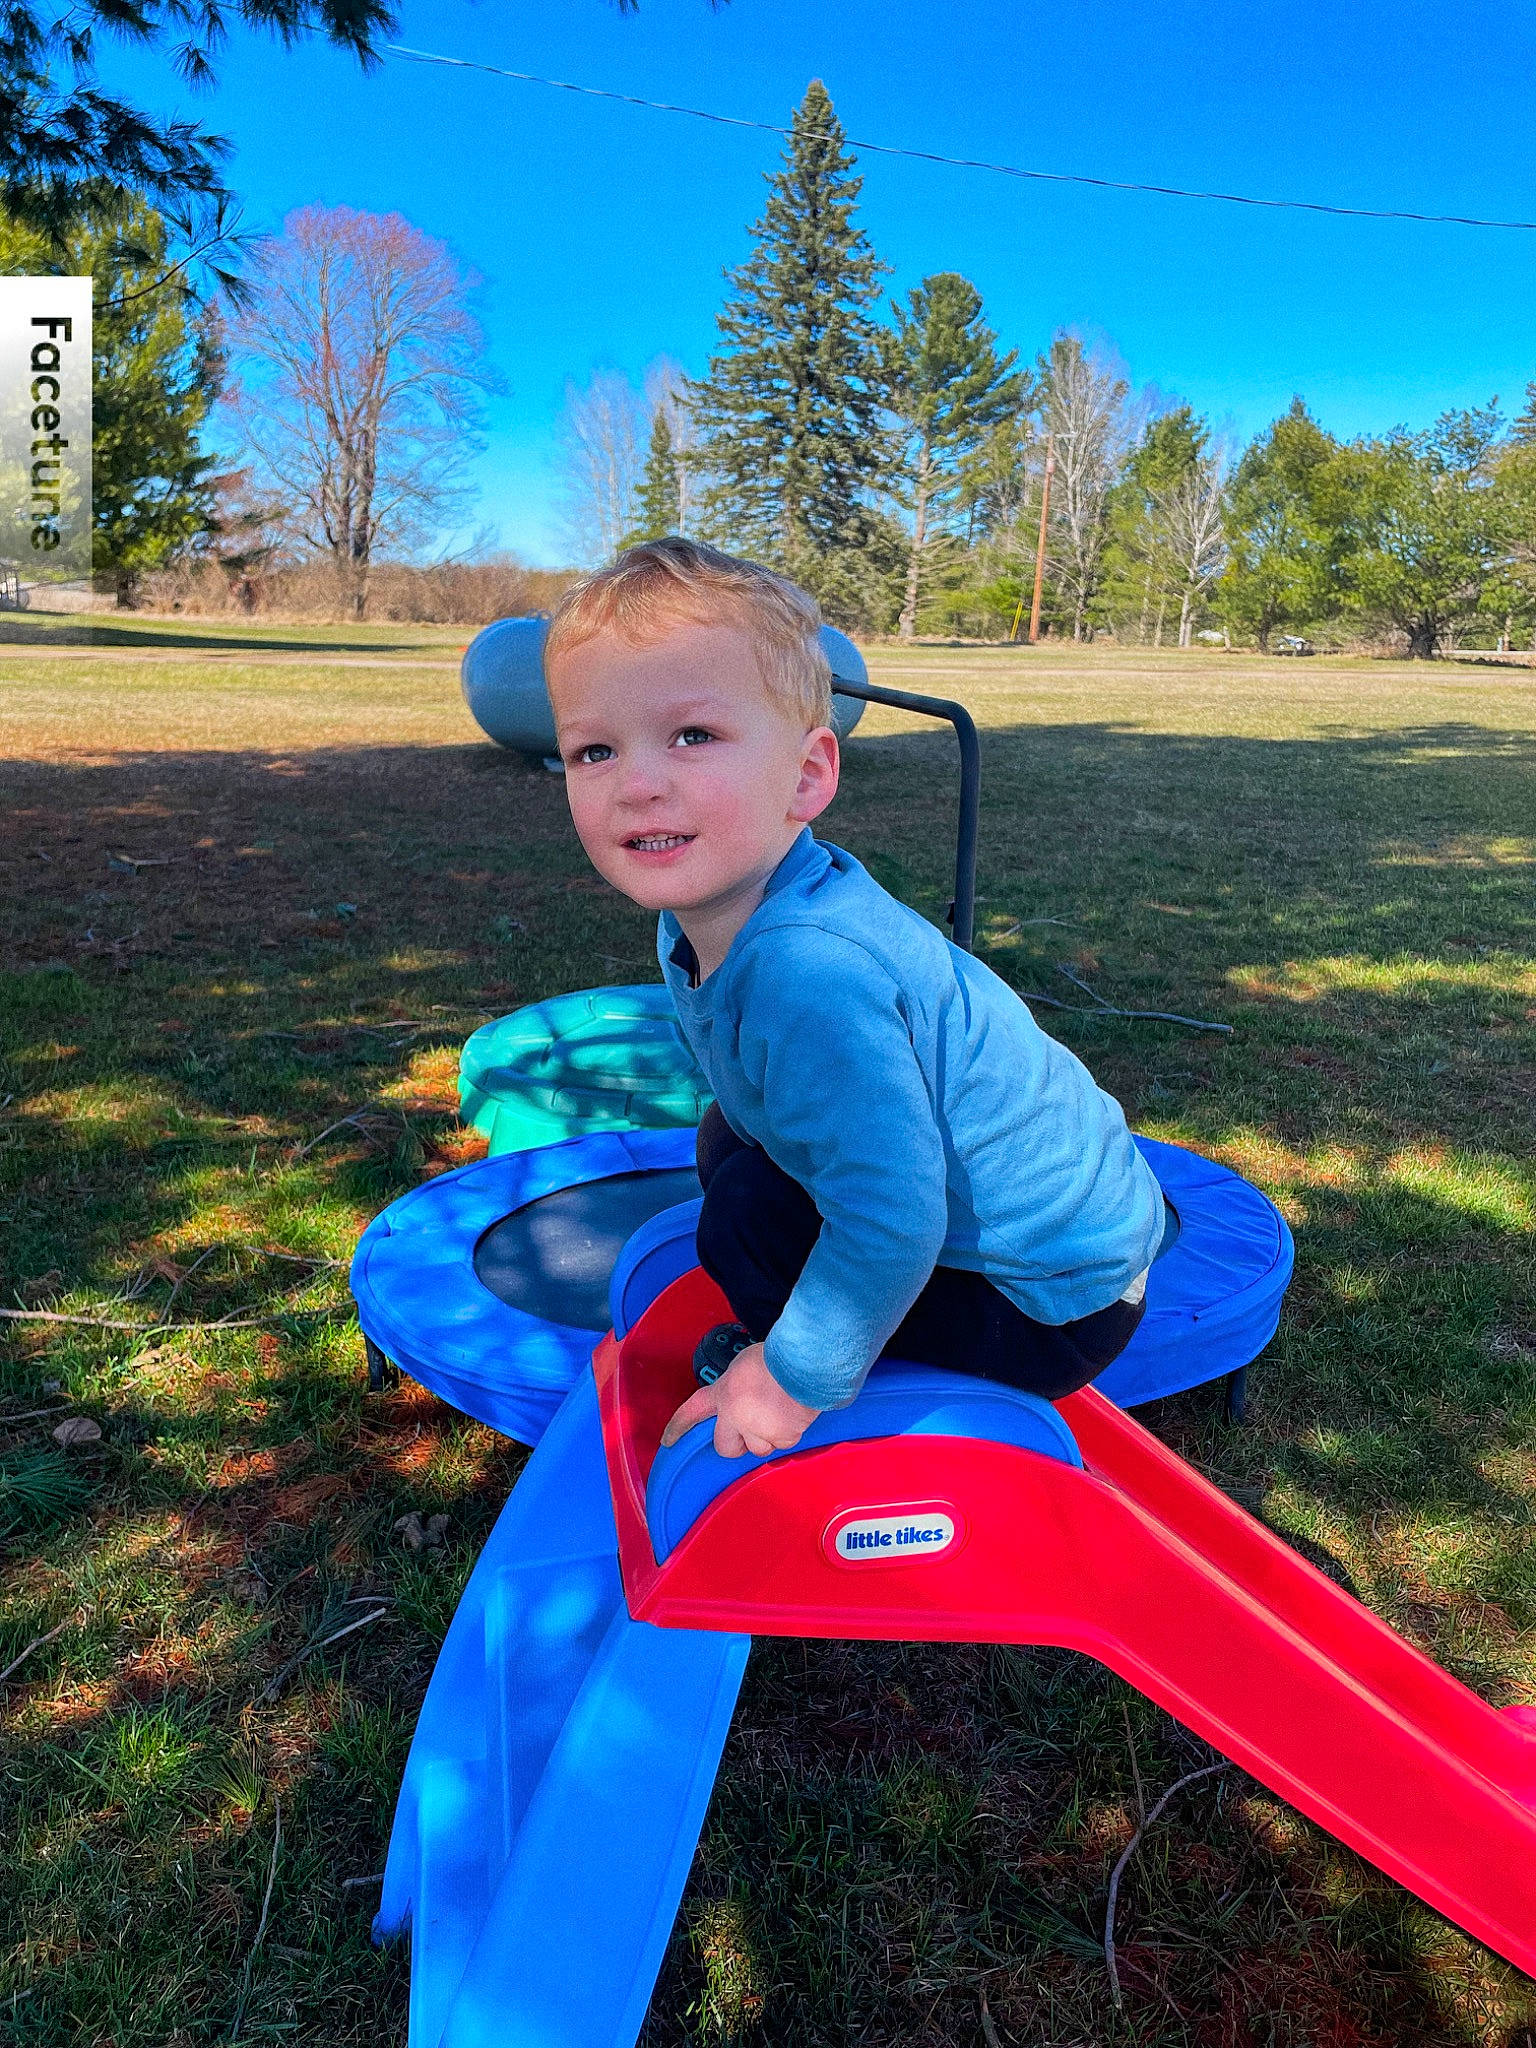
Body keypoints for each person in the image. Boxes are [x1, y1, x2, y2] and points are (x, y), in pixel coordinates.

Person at [543, 538, 1170, 1461]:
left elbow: (892, 1216)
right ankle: (831, 1331)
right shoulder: (699, 916)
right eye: (595, 749)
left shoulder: (813, 971)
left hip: (1053, 1298)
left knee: (745, 1218)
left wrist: (792, 1378)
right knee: (729, 1140)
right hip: (1033, 1236)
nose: (637, 784)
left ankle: (840, 1395)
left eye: (693, 735)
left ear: (806, 776)